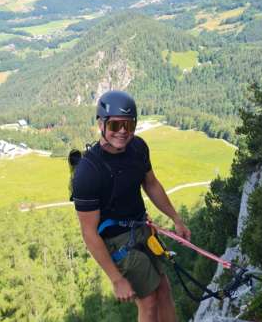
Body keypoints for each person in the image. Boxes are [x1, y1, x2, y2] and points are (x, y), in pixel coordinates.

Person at [71, 90, 191, 322]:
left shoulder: (138, 148)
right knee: (148, 301)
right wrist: (116, 279)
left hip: (142, 228)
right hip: (116, 242)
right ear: (101, 124)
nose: (123, 131)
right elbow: (88, 232)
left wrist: (176, 218)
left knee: (163, 288)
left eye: (129, 124)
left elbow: (151, 184)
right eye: (116, 125)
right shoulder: (88, 172)